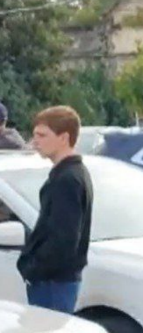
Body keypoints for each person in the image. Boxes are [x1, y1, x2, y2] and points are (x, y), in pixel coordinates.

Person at [17, 106, 93, 313]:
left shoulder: (68, 179)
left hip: (53, 282)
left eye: (42, 135)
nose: (35, 142)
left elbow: (64, 239)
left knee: (48, 326)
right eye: (34, 135)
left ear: (64, 138)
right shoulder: (67, 173)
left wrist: (34, 268)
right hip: (54, 281)